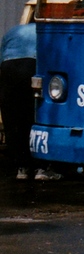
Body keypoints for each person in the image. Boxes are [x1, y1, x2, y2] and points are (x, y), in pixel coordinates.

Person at [0, 16, 59, 181]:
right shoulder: (45, 32)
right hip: (30, 66)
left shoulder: (13, 31)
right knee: (33, 118)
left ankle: (21, 168)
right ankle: (42, 167)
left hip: (8, 69)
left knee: (12, 120)